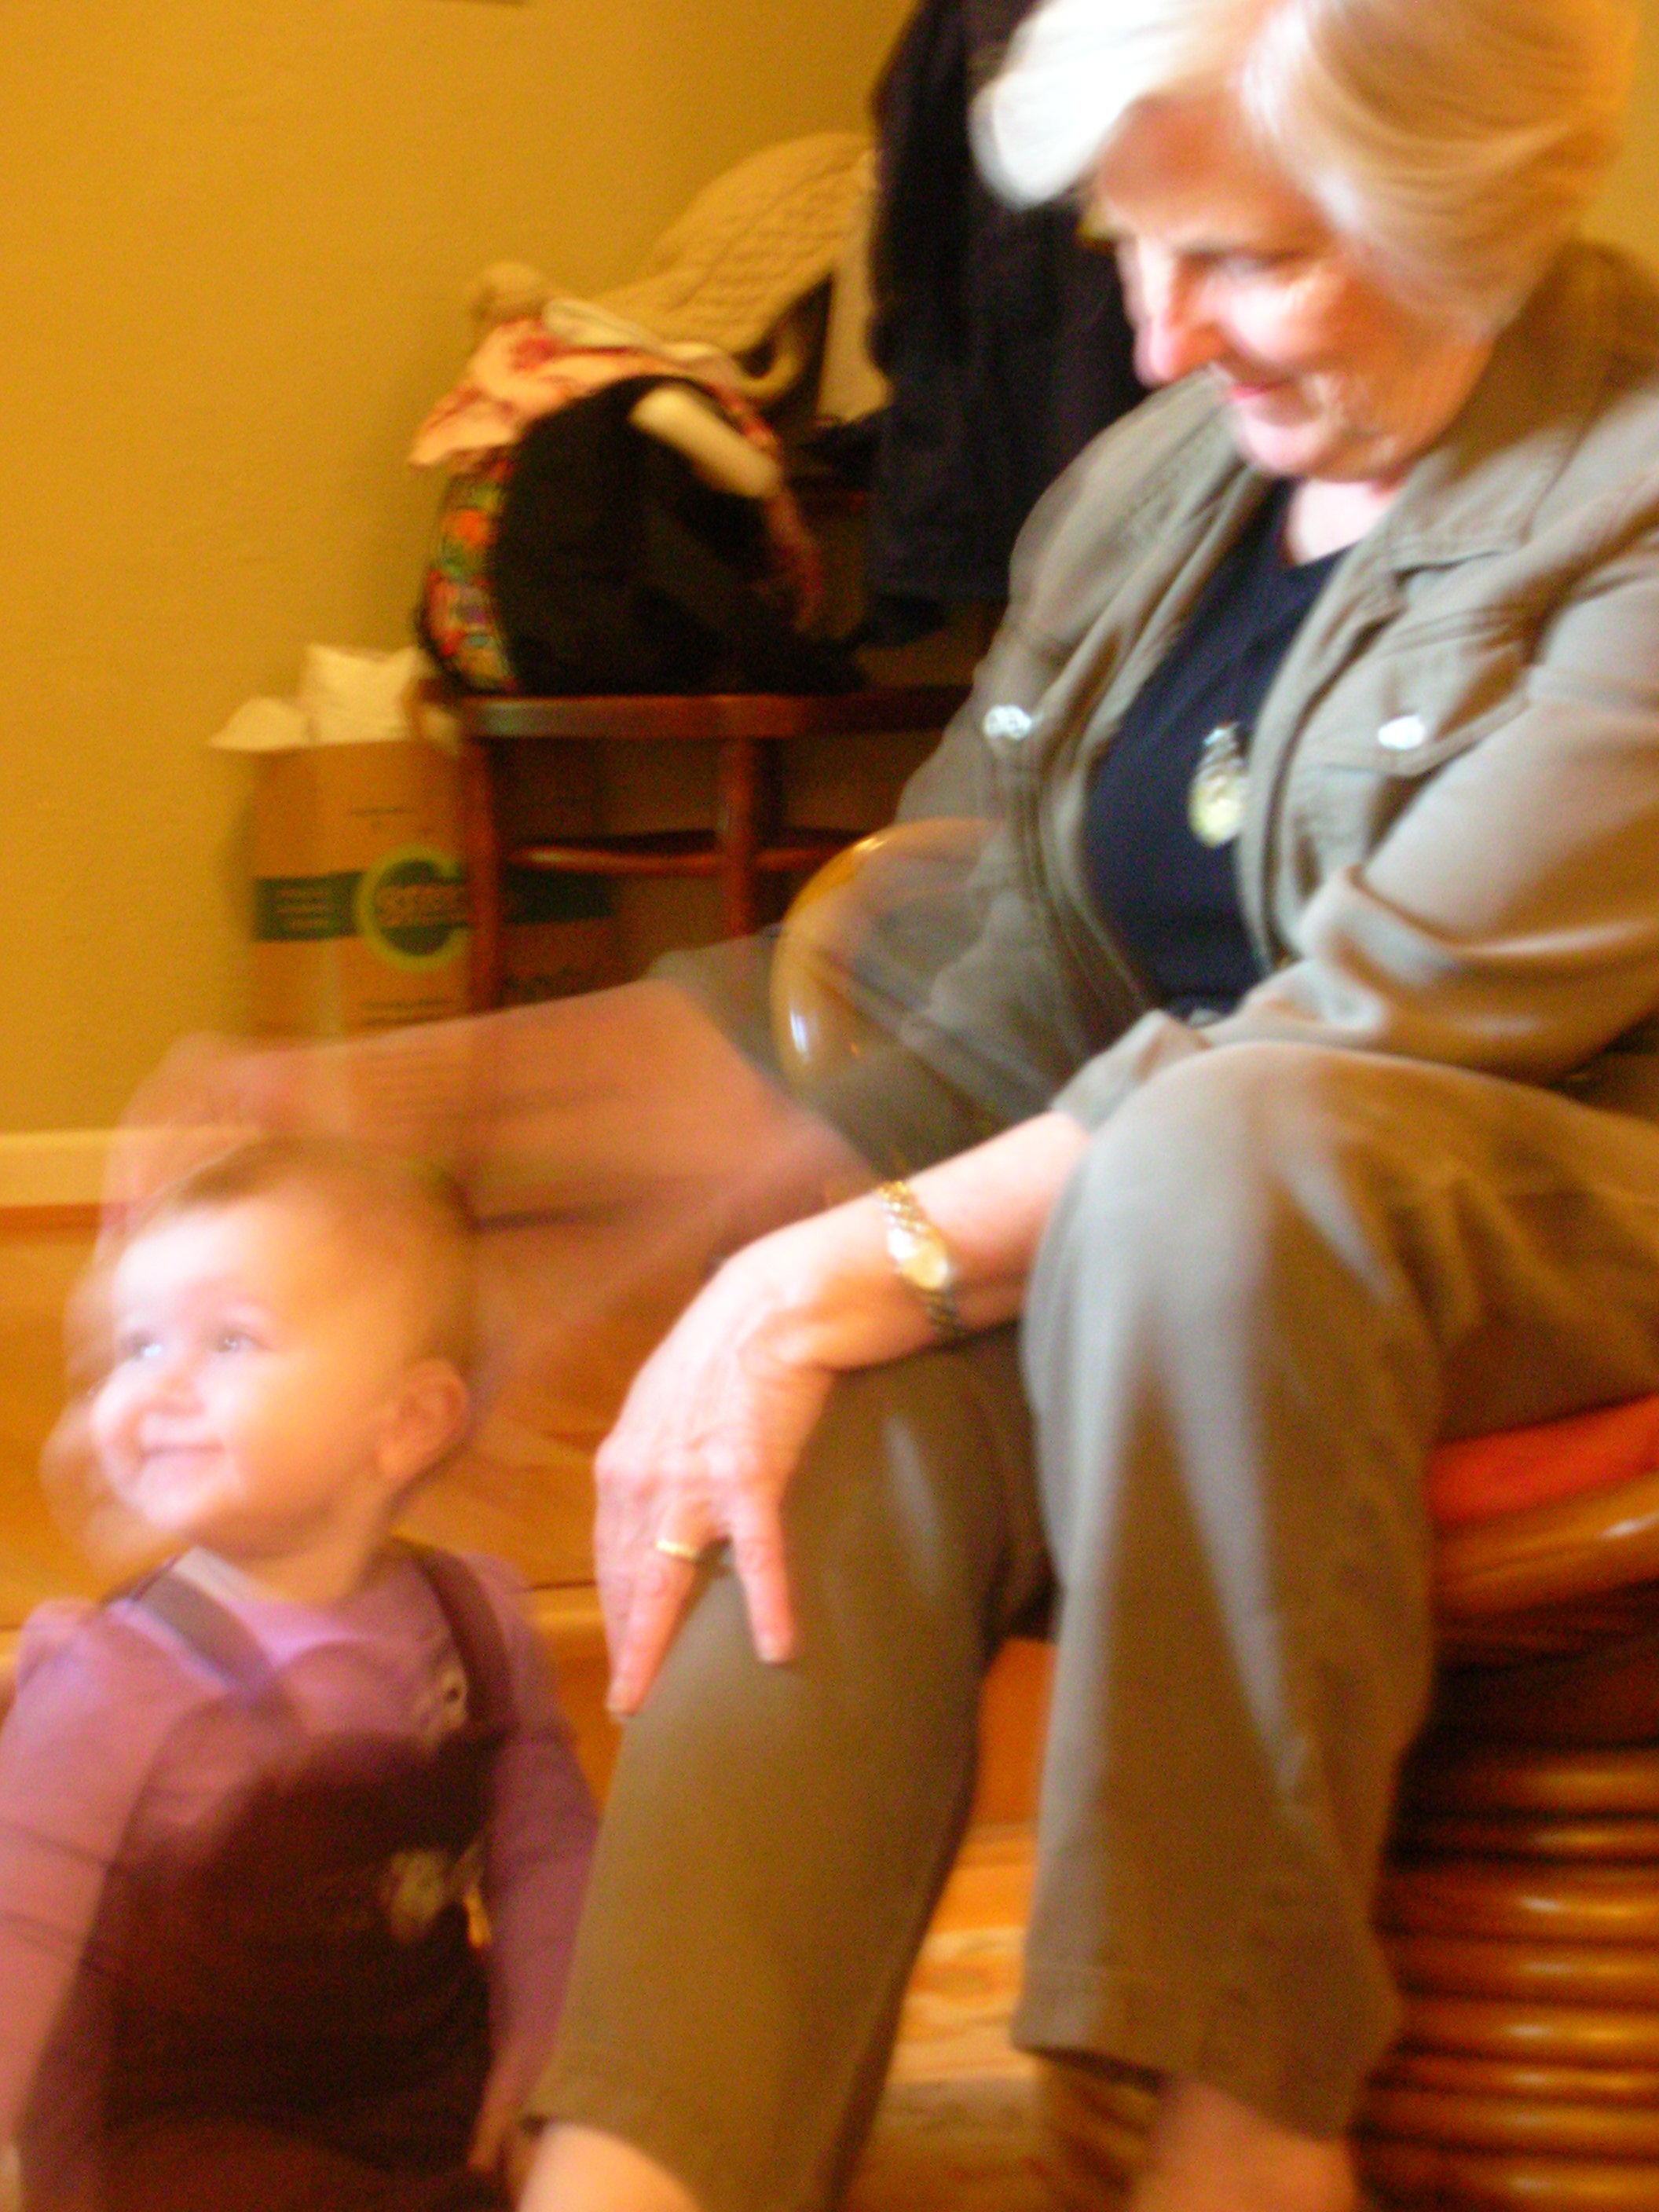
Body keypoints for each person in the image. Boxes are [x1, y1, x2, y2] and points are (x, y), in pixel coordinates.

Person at [96, 0, 1657, 2203]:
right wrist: (459, 1169)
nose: (1160, 331)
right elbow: (967, 977)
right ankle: (641, 2172)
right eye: (1134, 247)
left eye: (1249, 258)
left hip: (1565, 1241)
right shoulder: (1156, 491)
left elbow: (1367, 1023)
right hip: (1177, 1256)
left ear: (1471, 209)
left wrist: (848, 1256)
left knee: (1205, 1156)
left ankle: (1235, 2141)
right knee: (826, 1421)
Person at [0, 1137, 598, 2212]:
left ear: (404, 1424)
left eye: (230, 1341)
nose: (159, 1386)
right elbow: (16, 1933)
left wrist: (550, 2060)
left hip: (416, 2076)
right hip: (180, 2132)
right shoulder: (106, 1677)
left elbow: (548, 1859)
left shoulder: (475, 1626)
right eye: (136, 1347)